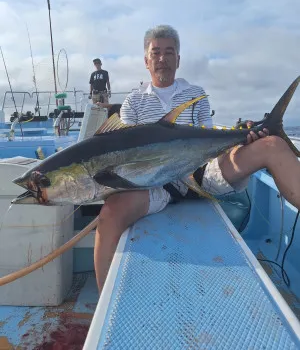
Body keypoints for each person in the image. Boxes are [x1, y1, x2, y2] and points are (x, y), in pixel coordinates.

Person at [94, 24, 300, 293]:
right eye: (155, 52)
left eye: (169, 52)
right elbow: (125, 151)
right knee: (108, 216)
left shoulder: (196, 94)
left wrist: (245, 137)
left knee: (272, 145)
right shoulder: (133, 102)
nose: (162, 58)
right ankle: (104, 303)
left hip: (202, 175)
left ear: (178, 59)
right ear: (146, 60)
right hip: (154, 184)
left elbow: (209, 138)